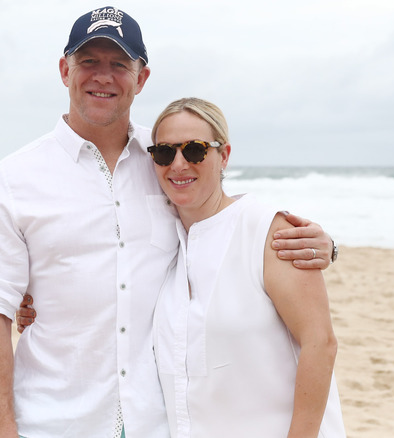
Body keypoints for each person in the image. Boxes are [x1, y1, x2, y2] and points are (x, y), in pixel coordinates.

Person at [0, 7, 336, 438]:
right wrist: (0, 428)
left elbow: (225, 219)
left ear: (141, 78)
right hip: (54, 419)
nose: (103, 76)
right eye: (89, 61)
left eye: (119, 64)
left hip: (158, 421)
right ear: (65, 70)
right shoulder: (16, 177)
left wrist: (325, 244)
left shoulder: (166, 156)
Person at [148, 97, 347, 437]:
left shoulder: (268, 230)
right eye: (164, 153)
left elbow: (321, 343)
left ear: (223, 155)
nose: (178, 164)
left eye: (195, 150)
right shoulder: (165, 242)